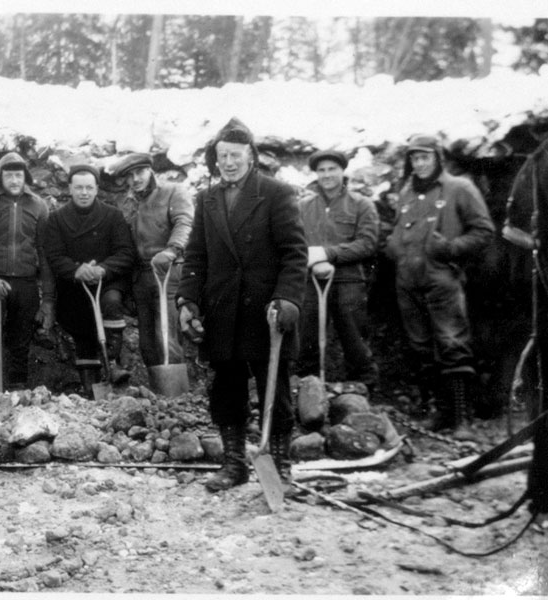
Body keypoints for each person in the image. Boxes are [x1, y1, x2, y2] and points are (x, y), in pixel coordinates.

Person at [176, 118, 307, 492]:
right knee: (227, 392)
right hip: (224, 314)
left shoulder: (276, 193)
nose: (228, 163)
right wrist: (188, 301)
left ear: (251, 156)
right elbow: (196, 256)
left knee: (275, 392)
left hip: (266, 314)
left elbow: (294, 254)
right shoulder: (208, 199)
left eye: (235, 155)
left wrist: (287, 298)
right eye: (222, 156)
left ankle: (280, 468)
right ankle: (233, 464)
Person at [384, 134, 494, 440]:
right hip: (407, 281)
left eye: (425, 158)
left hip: (442, 279)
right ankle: (441, 411)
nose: (419, 164)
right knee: (420, 347)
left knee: (452, 344)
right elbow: (398, 229)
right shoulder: (406, 191)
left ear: (437, 158)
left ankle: (463, 419)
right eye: (414, 159)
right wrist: (393, 245)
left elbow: (484, 231)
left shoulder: (460, 188)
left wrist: (452, 248)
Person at [0, 152, 56, 397]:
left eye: (19, 175)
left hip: (26, 282)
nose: (14, 180)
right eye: (9, 175)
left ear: (26, 177)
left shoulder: (38, 205)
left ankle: (17, 396)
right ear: (0, 177)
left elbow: (45, 253)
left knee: (20, 341)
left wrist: (48, 299)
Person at [43, 163, 135, 392]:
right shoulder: (57, 219)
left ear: (96, 190)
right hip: (75, 285)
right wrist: (77, 270)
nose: (84, 193)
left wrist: (102, 269)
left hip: (108, 281)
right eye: (79, 188)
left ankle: (112, 362)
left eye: (89, 188)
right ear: (70, 190)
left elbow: (125, 252)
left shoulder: (112, 216)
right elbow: (54, 256)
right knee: (82, 327)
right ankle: (92, 390)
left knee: (111, 302)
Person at [296, 149, 380, 388]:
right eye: (321, 170)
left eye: (332, 169)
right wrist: (312, 260)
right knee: (306, 337)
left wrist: (327, 253)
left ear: (343, 171)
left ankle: (361, 391)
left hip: (348, 280)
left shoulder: (361, 205)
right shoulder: (303, 207)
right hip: (310, 280)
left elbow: (367, 243)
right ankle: (305, 391)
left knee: (355, 338)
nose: (327, 175)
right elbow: (294, 243)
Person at [111, 152, 194, 373]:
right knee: (146, 342)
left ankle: (177, 397)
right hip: (141, 277)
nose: (135, 179)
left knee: (166, 336)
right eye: (129, 176)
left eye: (140, 172)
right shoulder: (128, 203)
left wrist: (172, 250)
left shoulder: (172, 192)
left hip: (168, 272)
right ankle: (158, 397)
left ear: (150, 170)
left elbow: (185, 222)